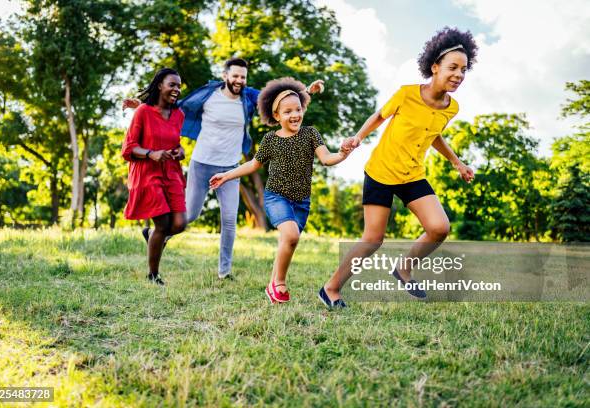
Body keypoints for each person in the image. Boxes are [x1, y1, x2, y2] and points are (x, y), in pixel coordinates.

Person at [319, 27, 478, 307]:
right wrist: (357, 137)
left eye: (464, 69)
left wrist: (457, 161)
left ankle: (403, 268)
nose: (458, 75)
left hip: (412, 175)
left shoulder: (451, 108)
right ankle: (330, 288)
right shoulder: (406, 94)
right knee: (373, 239)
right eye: (452, 67)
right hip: (381, 172)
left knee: (439, 228)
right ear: (435, 67)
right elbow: (380, 116)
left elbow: (434, 134)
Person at [124, 58, 324, 279]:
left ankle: (224, 271)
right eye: (235, 75)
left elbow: (279, 101)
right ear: (225, 76)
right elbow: (175, 105)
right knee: (190, 215)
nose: (239, 80)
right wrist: (142, 104)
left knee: (229, 221)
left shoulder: (248, 98)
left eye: (243, 77)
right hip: (201, 163)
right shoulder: (208, 94)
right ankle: (156, 235)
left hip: (230, 167)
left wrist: (307, 91)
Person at [209, 77, 353, 303]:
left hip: (302, 201)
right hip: (276, 197)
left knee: (288, 241)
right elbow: (253, 164)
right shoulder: (270, 140)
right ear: (277, 116)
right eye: (287, 112)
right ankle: (280, 283)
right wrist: (226, 175)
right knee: (291, 235)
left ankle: (272, 286)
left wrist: (343, 154)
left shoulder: (310, 134)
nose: (294, 115)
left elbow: (327, 158)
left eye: (298, 109)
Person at [121, 68, 187, 285]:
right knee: (162, 223)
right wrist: (151, 153)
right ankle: (153, 275)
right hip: (148, 173)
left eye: (179, 86)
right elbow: (129, 149)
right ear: (160, 85)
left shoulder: (179, 115)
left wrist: (180, 151)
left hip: (171, 172)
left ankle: (151, 237)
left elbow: (174, 142)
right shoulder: (143, 112)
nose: (176, 89)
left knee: (179, 224)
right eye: (172, 84)